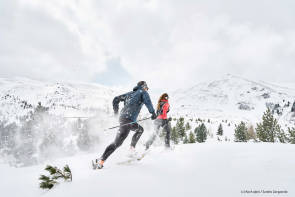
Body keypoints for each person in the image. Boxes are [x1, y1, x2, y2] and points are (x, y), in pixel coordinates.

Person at [93, 81, 157, 169]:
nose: (147, 89)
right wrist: (153, 112)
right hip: (128, 121)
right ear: (143, 86)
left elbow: (116, 99)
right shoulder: (143, 92)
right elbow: (148, 101)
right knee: (117, 143)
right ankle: (101, 161)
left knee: (140, 130)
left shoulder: (129, 94)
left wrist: (116, 113)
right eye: (147, 88)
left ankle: (131, 149)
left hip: (128, 120)